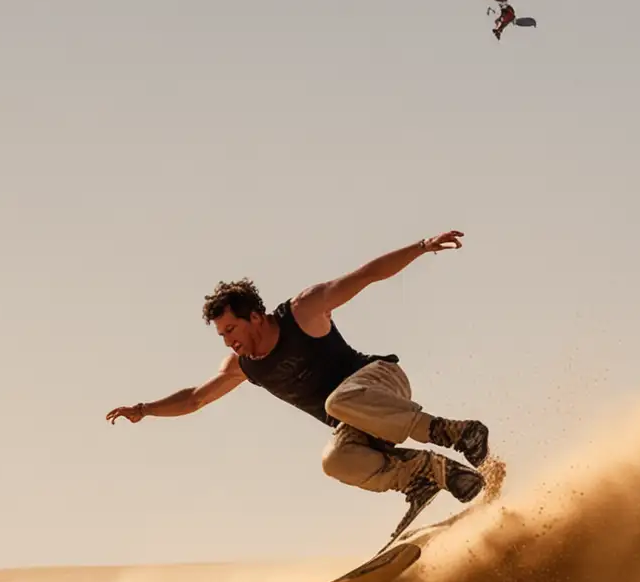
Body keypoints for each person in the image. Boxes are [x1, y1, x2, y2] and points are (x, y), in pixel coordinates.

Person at [106, 231, 492, 539]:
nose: (228, 341)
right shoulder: (243, 366)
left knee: (337, 402)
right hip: (355, 418)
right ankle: (428, 475)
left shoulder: (303, 312)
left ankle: (456, 432)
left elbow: (364, 276)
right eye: (222, 334)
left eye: (231, 329)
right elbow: (193, 400)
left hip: (381, 383)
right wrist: (144, 409)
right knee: (335, 461)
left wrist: (422, 247)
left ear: (255, 317)